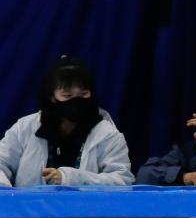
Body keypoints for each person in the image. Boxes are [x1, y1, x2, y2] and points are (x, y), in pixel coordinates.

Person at [0, 56, 133, 187]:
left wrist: (70, 178)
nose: (77, 101)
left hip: (85, 208)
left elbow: (122, 180)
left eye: (84, 94)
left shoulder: (108, 134)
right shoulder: (25, 128)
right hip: (29, 208)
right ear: (52, 97)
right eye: (67, 95)